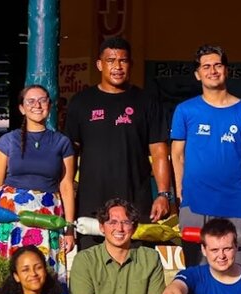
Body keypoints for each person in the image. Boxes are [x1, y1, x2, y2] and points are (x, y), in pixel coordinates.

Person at [65, 36, 171, 250]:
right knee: (93, 266)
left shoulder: (147, 101)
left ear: (130, 64)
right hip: (92, 201)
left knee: (137, 267)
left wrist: (163, 194)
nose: (117, 66)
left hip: (136, 201)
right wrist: (66, 192)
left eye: (122, 61)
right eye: (111, 60)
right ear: (99, 64)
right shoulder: (81, 102)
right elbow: (70, 154)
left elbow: (160, 152)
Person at [171, 44, 241, 267]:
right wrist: (181, 194)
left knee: (234, 267)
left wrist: (232, 183)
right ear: (197, 74)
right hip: (194, 204)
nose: (212, 71)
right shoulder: (185, 110)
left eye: (217, 65)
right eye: (206, 67)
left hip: (234, 204)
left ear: (226, 70)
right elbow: (177, 155)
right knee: (196, 271)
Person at [0, 84, 76, 283]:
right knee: (12, 268)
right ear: (22, 108)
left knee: (44, 266)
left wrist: (69, 227)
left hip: (47, 213)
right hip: (10, 212)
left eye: (42, 100)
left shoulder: (62, 142)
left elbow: (66, 185)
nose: (37, 105)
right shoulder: (8, 141)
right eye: (31, 101)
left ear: (50, 106)